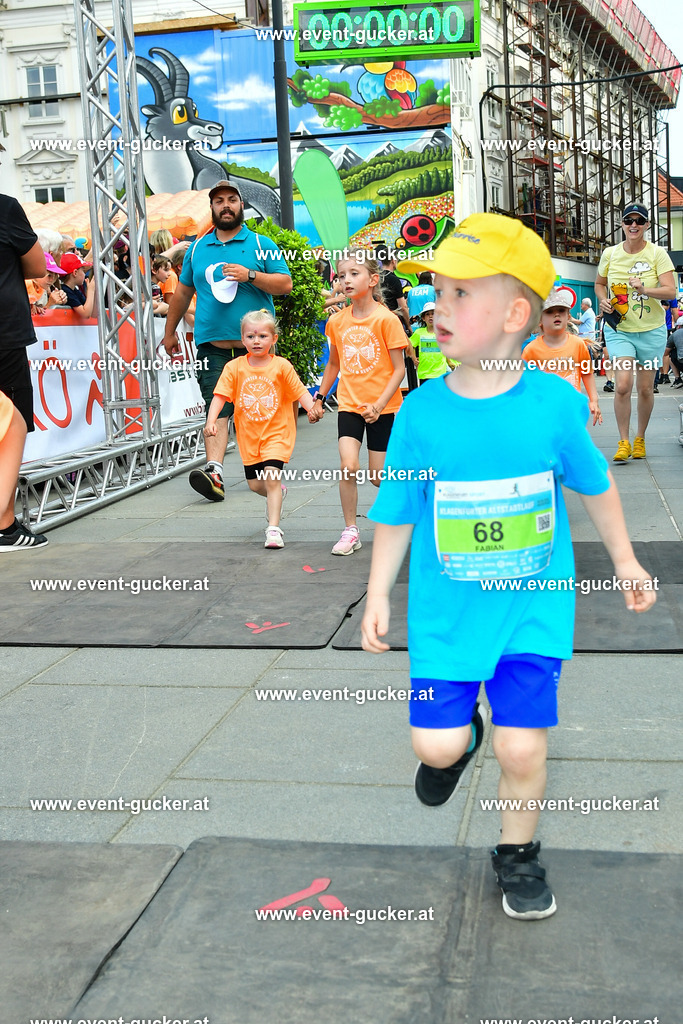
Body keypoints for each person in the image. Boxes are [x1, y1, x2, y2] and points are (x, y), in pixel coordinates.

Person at [360, 212, 656, 921]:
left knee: (523, 750)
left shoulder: (555, 405)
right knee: (434, 746)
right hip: (447, 616)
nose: (439, 307)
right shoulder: (419, 413)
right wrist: (377, 594)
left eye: (461, 293)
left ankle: (517, 853)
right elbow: (397, 509)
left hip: (532, 610)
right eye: (438, 291)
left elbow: (595, 486)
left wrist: (625, 562)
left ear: (515, 315)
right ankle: (461, 740)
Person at [162, 180, 292, 502]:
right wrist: (169, 332)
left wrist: (250, 275)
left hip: (257, 351)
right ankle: (215, 473)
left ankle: (265, 470)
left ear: (241, 205)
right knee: (216, 406)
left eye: (231, 199)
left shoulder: (261, 243)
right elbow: (183, 292)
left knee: (260, 410)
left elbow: (284, 284)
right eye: (219, 201)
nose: (226, 206)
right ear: (212, 208)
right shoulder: (196, 249)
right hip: (212, 347)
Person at [313, 250, 406, 555]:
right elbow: (333, 364)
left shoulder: (387, 319)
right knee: (348, 466)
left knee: (378, 477)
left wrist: (378, 405)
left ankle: (408, 512)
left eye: (354, 273)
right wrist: (319, 398)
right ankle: (350, 530)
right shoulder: (337, 321)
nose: (346, 280)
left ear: (373, 279)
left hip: (383, 408)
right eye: (342, 276)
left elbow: (399, 369)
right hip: (350, 406)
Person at [205, 309, 318, 548]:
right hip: (249, 437)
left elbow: (299, 391)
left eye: (263, 336)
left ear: (273, 339)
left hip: (277, 433)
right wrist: (211, 421)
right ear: (242, 339)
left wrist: (311, 409)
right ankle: (277, 495)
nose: (256, 341)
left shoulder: (281, 366)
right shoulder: (234, 368)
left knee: (272, 478)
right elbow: (220, 396)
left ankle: (273, 530)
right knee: (256, 485)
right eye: (251, 336)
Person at [595, 202, 676, 461]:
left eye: (639, 221)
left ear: (647, 225)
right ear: (621, 224)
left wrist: (644, 289)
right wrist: (602, 300)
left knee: (644, 388)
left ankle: (639, 438)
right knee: (622, 385)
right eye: (628, 220)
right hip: (620, 329)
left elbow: (671, 291)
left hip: (651, 331)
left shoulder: (657, 254)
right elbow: (599, 284)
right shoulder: (610, 254)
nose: (633, 225)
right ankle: (623, 441)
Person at [0, 191, 49, 550]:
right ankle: (4, 525)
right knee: (12, 425)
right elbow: (37, 267)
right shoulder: (4, 207)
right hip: (4, 334)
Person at [523, 287, 602, 425]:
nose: (556, 315)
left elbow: (587, 373)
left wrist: (593, 401)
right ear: (540, 320)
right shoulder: (531, 350)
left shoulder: (578, 344)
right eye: (550, 312)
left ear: (568, 317)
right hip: (542, 412)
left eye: (561, 311)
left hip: (571, 410)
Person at [408, 302, 453, 384]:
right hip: (425, 373)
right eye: (427, 314)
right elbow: (410, 345)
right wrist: (414, 358)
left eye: (433, 313)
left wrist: (449, 362)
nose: (430, 316)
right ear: (423, 318)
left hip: (439, 373)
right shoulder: (419, 333)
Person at [60, 252, 96, 319]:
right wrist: (91, 291)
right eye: (83, 271)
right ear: (75, 273)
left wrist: (92, 292)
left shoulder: (75, 290)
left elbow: (94, 313)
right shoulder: (65, 291)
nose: (84, 274)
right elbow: (86, 314)